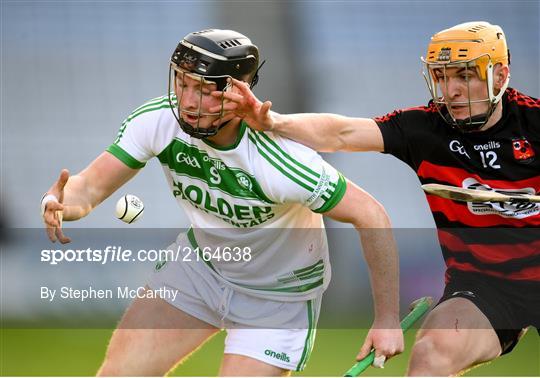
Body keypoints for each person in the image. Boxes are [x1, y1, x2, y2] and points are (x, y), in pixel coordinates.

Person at [40, 29, 404, 376]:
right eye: (182, 83)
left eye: (202, 90)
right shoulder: (158, 120)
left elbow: (371, 214)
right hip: (200, 271)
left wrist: (386, 321)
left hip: (278, 298)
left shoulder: (282, 161)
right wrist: (63, 201)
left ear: (237, 91)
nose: (186, 101)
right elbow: (88, 186)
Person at [217, 21, 540, 376]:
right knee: (433, 352)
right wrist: (273, 122)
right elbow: (341, 133)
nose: (452, 91)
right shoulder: (426, 128)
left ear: (500, 74)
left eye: (464, 76)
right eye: (442, 77)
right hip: (486, 285)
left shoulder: (534, 122)